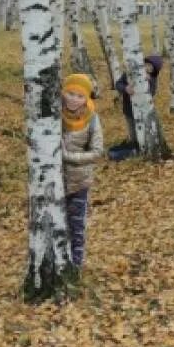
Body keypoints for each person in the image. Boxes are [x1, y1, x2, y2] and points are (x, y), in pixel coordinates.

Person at [61, 73, 105, 270]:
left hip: (79, 182)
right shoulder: (54, 114)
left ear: (86, 98)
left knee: (76, 226)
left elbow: (97, 152)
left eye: (79, 96)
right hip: (55, 181)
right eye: (70, 93)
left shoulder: (92, 119)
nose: (73, 99)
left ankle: (76, 265)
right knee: (57, 225)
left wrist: (68, 156)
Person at [110, 55, 163, 158]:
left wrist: (148, 82)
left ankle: (142, 148)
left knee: (142, 133)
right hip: (129, 110)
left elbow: (151, 93)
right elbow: (118, 84)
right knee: (133, 132)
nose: (147, 68)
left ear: (154, 71)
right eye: (146, 65)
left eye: (151, 67)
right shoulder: (130, 74)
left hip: (143, 112)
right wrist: (126, 88)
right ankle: (133, 147)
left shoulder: (153, 79)